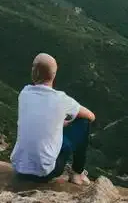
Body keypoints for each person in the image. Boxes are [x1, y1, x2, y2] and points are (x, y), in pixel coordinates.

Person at [10, 53, 96, 185]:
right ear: (54, 75)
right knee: (83, 123)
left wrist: (58, 123)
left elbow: (40, 119)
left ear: (33, 73)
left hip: (19, 168)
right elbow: (91, 116)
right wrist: (69, 120)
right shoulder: (61, 99)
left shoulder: (24, 93)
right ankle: (77, 173)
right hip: (46, 172)